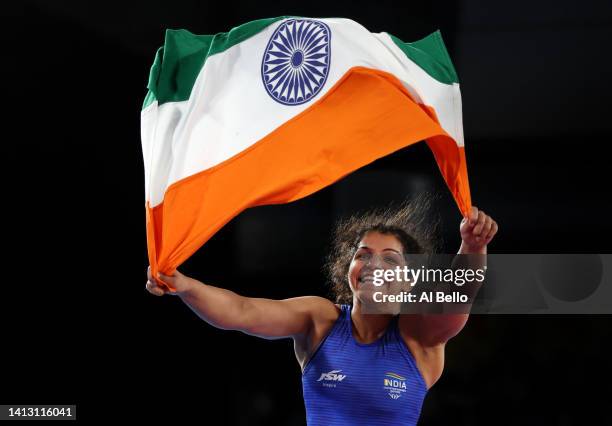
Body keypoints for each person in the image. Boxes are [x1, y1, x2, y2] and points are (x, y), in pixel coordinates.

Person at [145, 200, 498, 425]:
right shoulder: (321, 319)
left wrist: (473, 245)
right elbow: (242, 311)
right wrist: (187, 286)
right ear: (349, 268)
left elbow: (458, 293)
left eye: (390, 259)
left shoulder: (417, 337)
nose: (374, 264)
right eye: (363, 255)